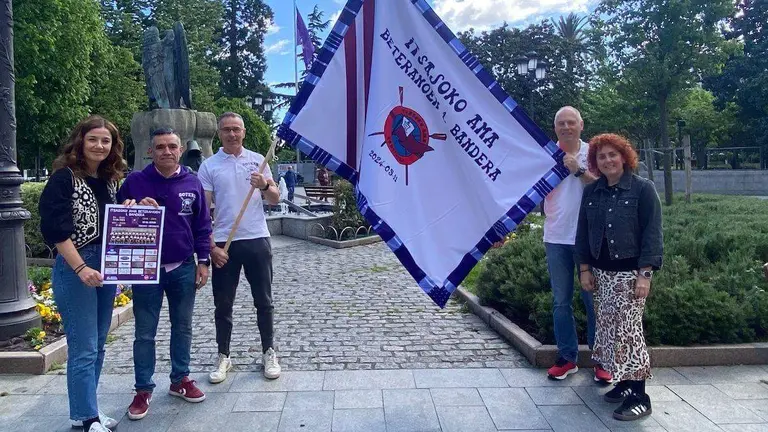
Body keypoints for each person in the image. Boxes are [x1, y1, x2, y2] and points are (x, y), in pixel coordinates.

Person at [118, 128, 213, 420]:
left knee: (182, 326)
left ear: (181, 149)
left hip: (182, 266)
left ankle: (180, 378)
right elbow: (116, 220)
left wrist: (204, 261)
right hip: (145, 269)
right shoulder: (135, 182)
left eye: (172, 146)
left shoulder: (192, 183)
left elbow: (202, 225)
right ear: (151, 151)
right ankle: (143, 389)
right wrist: (130, 208)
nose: (167, 151)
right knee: (144, 332)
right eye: (160, 147)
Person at [39, 115, 126, 432]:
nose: (99, 146)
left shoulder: (109, 180)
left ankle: (86, 409)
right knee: (84, 346)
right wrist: (80, 267)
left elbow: (113, 221)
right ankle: (87, 418)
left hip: (105, 264)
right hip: (77, 265)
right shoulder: (64, 178)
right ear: (80, 141)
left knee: (98, 343)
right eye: (93, 139)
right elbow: (55, 229)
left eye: (106, 141)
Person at [576, 133, 663, 421]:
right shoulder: (592, 191)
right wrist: (585, 269)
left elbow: (652, 234)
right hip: (601, 275)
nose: (607, 160)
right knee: (610, 331)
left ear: (624, 157)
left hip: (630, 276)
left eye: (612, 154)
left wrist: (645, 274)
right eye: (601, 156)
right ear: (595, 162)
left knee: (629, 332)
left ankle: (640, 396)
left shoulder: (643, 189)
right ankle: (625, 382)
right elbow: (582, 234)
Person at [197, 112, 282, 383]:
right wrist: (211, 246)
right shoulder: (209, 166)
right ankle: (223, 355)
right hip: (225, 242)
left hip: (257, 238)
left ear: (243, 132)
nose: (232, 134)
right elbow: (202, 211)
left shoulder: (258, 161)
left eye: (236, 129)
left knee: (264, 300)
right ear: (219, 133)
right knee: (223, 303)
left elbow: (274, 199)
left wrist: (264, 184)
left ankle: (269, 351)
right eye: (226, 130)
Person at [542, 107, 612, 384]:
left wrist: (578, 170)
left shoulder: (594, 153)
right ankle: (567, 358)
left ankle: (601, 359)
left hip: (589, 239)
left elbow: (605, 187)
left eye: (571, 122)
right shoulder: (545, 155)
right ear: (555, 128)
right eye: (561, 123)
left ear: (581, 125)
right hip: (556, 237)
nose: (566, 127)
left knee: (593, 301)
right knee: (561, 302)